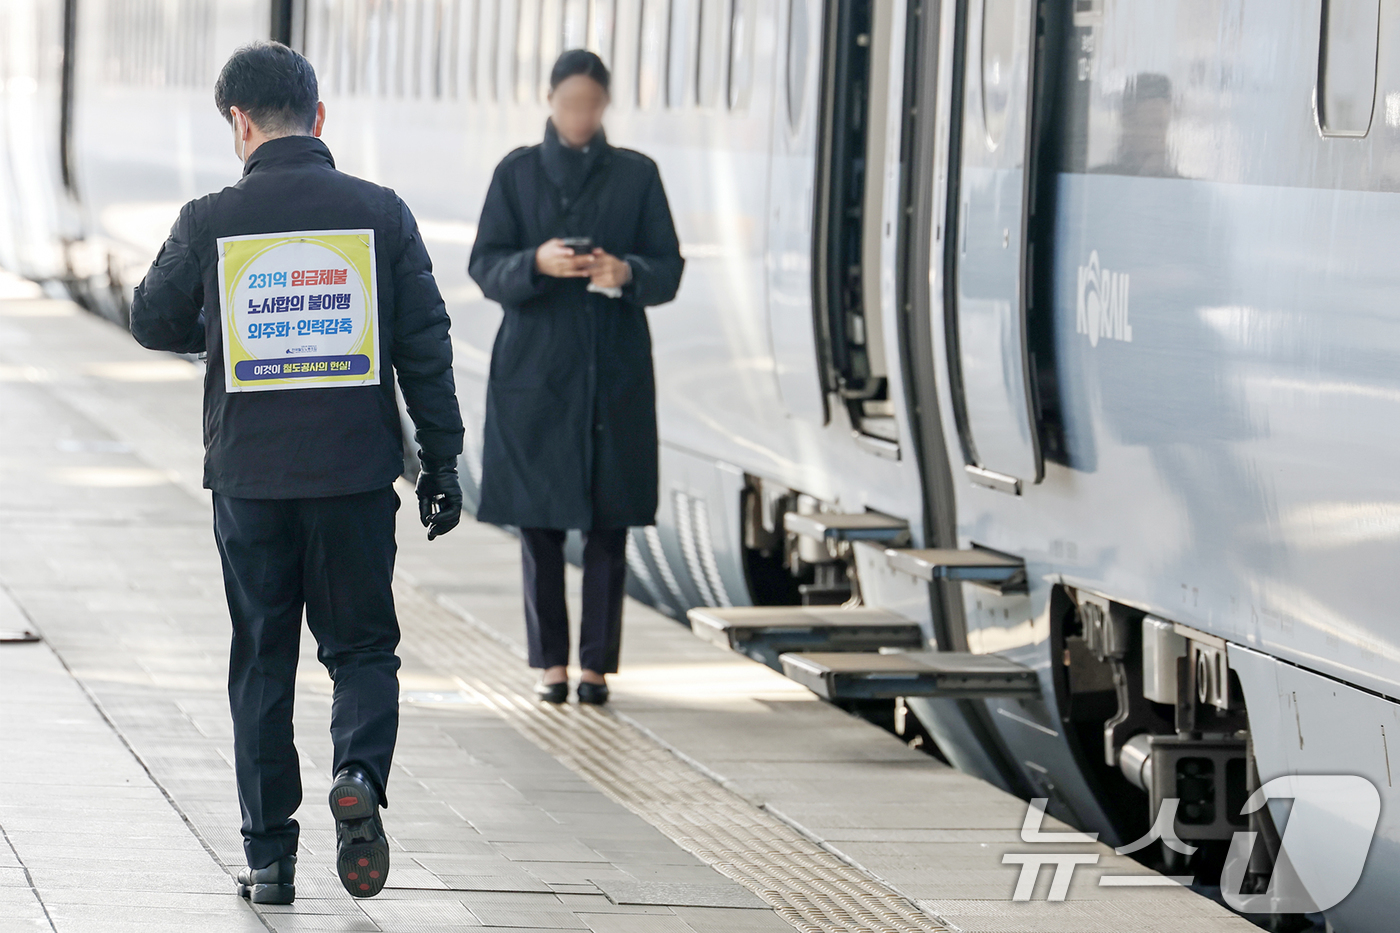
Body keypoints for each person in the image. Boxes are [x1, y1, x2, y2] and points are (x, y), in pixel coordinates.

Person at [128, 42, 464, 905]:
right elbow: (425, 345)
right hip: (354, 477)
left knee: (263, 659)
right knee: (361, 647)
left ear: (239, 124)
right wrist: (443, 460)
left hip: (251, 480)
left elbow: (152, 320)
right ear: (318, 118)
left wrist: (231, 324)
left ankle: (270, 858)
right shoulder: (381, 214)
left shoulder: (209, 220)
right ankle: (356, 771)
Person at [468, 50, 683, 706]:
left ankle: (595, 667)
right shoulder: (516, 173)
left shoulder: (638, 176)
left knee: (607, 520)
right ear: (551, 102)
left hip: (610, 369)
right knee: (538, 525)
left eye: (592, 104)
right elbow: (485, 266)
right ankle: (549, 665)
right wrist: (536, 262)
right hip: (534, 372)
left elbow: (667, 268)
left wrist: (626, 275)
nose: (581, 116)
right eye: (570, 104)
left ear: (606, 105)